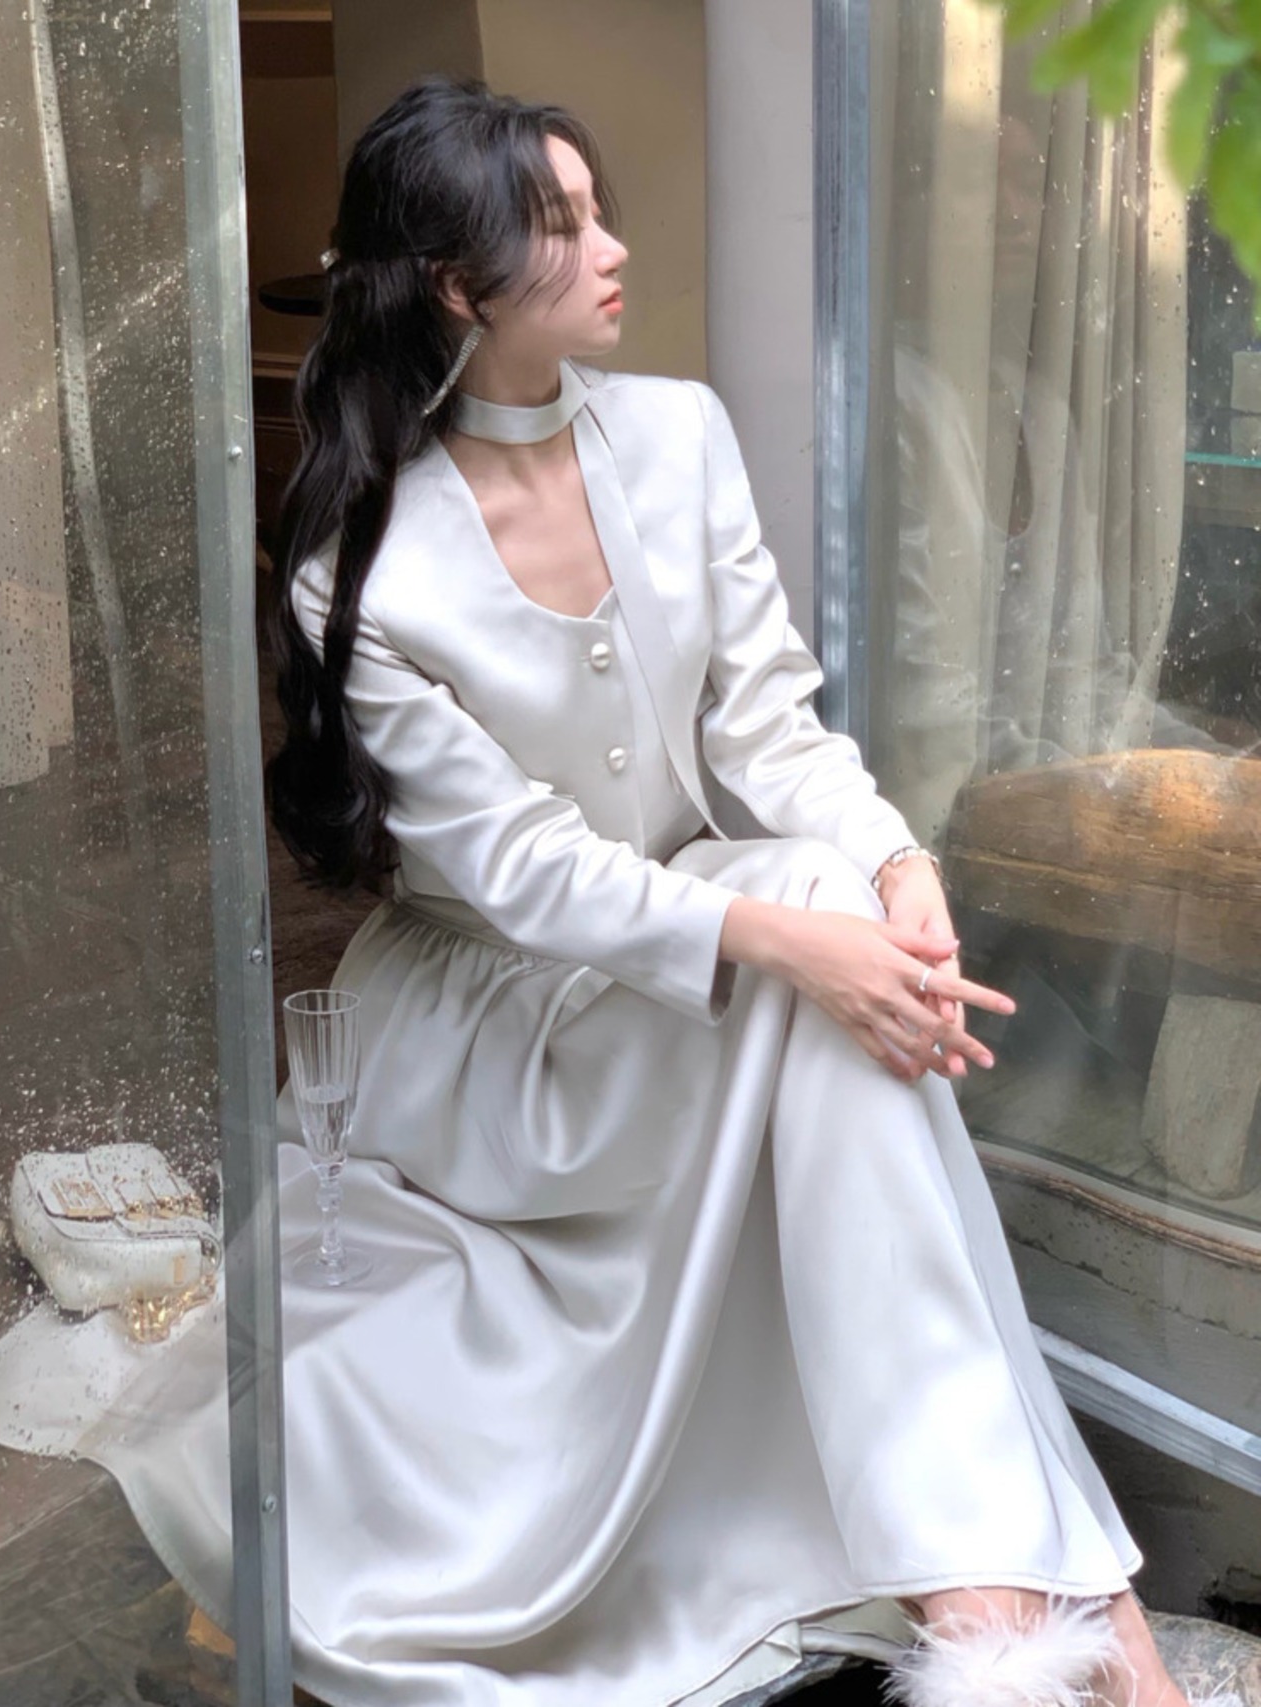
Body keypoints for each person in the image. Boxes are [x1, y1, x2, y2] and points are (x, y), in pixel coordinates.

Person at [257, 75, 1216, 1707]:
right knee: (796, 950)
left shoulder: (678, 434)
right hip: (508, 1023)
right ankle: (1050, 1600)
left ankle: (984, 1592)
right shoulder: (362, 566)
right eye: (565, 227)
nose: (616, 248)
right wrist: (800, 942)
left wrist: (900, 869)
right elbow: (527, 875)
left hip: (686, 958)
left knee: (819, 885)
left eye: (599, 209)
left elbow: (770, 719)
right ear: (457, 284)